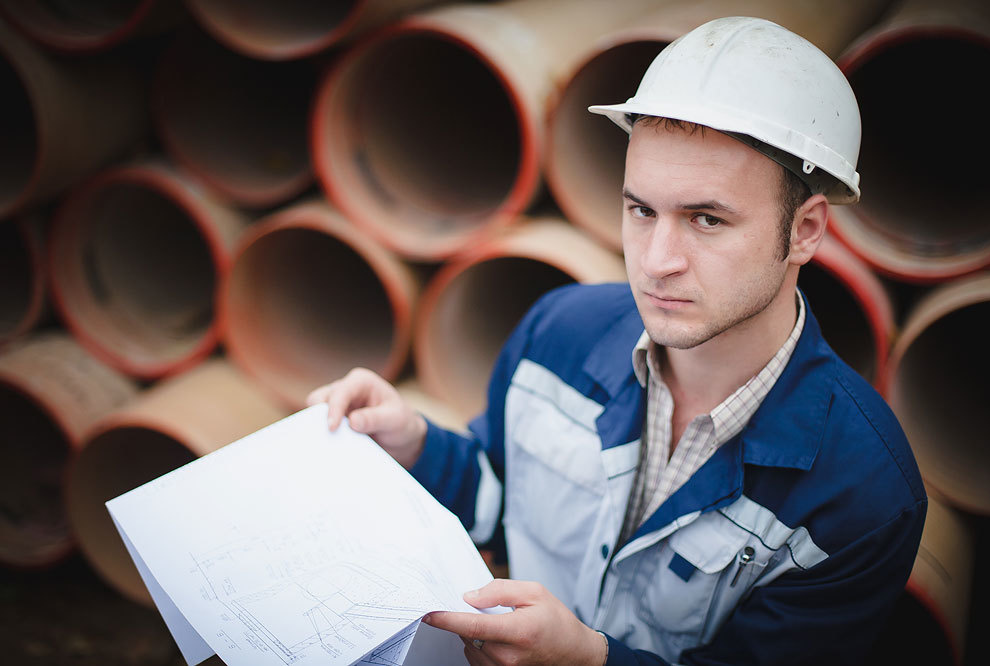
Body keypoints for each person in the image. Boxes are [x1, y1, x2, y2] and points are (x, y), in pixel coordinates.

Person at [307, 16, 926, 665]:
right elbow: (498, 497)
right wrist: (417, 446)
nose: (657, 260)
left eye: (706, 220)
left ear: (804, 231)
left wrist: (585, 659)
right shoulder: (558, 335)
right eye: (641, 210)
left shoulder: (862, 492)